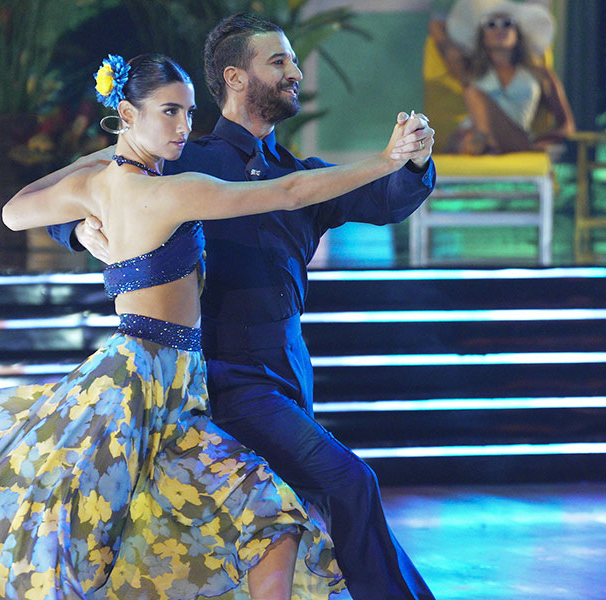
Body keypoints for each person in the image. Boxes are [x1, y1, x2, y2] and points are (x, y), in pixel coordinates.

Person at [0, 52, 433, 600]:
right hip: (138, 386)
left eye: (189, 112)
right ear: (128, 111)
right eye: (170, 111)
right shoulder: (169, 189)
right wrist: (384, 159)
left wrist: (94, 169)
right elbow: (286, 194)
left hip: (175, 385)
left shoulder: (105, 181)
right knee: (87, 536)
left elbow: (16, 208)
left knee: (267, 518)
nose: (184, 127)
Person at [46, 12, 439, 600]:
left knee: (282, 519)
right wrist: (79, 232)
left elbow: (384, 198)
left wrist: (412, 159)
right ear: (235, 77)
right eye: (278, 61)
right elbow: (77, 191)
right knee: (348, 483)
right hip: (222, 371)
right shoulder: (180, 157)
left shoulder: (301, 175)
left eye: (293, 61)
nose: (295, 71)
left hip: (288, 363)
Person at [428, 0, 574, 154]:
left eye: (507, 23)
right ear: (482, 35)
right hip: (471, 136)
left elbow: (567, 125)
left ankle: (484, 143)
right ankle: (480, 143)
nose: (499, 29)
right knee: (469, 124)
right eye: (490, 24)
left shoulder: (539, 73)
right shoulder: (471, 70)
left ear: (518, 32)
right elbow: (437, 31)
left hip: (515, 139)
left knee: (473, 93)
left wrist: (540, 143)